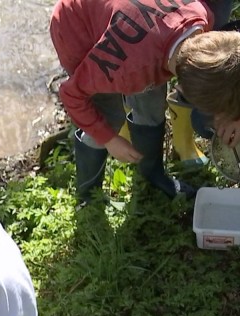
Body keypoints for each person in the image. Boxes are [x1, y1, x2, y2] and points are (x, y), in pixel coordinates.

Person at [49, 0, 236, 205]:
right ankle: (88, 197)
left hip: (145, 35)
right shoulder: (125, 68)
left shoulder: (202, 19)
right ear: (182, 89)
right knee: (107, 115)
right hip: (77, 27)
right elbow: (72, 94)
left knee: (152, 105)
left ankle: (152, 174)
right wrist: (110, 140)